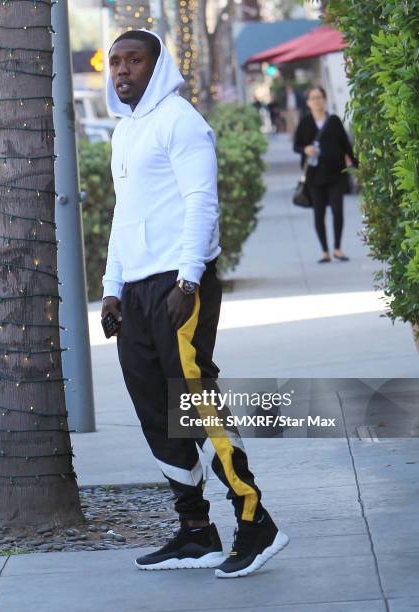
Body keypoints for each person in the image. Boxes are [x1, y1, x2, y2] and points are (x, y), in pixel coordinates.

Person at [101, 29, 289, 579]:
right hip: (135, 291)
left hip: (179, 285)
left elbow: (201, 203)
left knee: (193, 404)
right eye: (115, 62)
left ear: (156, 68)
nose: (121, 71)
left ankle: (256, 522)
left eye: (133, 60)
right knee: (157, 413)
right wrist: (112, 287)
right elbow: (123, 215)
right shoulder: (125, 131)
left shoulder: (182, 122)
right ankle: (195, 531)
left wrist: (187, 283)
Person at [293, 85, 357, 263]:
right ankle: (324, 251)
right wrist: (306, 149)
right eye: (313, 98)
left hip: (336, 173)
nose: (317, 101)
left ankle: (337, 248)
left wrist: (356, 164)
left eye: (319, 97)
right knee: (319, 213)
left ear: (325, 99)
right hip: (314, 176)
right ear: (307, 102)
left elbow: (346, 145)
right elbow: (296, 146)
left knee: (338, 211)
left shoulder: (334, 120)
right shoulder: (305, 122)